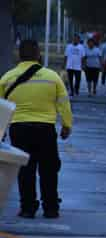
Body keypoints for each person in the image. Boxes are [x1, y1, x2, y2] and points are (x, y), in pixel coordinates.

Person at [0, 40, 73, 219]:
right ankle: (51, 208)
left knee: (25, 170)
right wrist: (66, 125)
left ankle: (27, 208)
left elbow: (1, 107)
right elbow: (63, 102)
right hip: (45, 129)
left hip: (19, 128)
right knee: (49, 169)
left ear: (20, 56)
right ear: (38, 55)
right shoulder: (52, 76)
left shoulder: (7, 78)